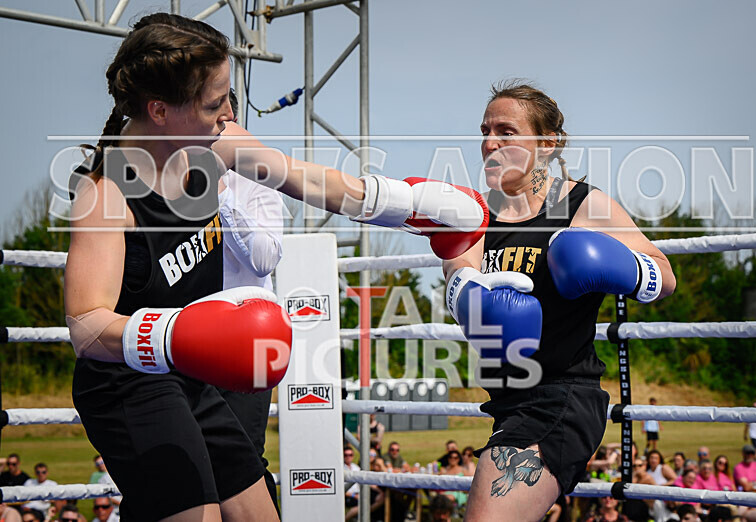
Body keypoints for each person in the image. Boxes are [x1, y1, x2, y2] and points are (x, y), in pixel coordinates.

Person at [64, 12, 484, 522]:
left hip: (191, 375)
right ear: (160, 110)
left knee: (258, 515)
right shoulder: (106, 195)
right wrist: (175, 334)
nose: (227, 113)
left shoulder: (216, 145)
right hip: (127, 383)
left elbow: (312, 182)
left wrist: (410, 204)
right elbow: (86, 324)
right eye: (214, 102)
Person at [442, 80, 676, 522]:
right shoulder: (477, 214)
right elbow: (456, 272)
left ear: (547, 144)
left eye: (507, 132)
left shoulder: (584, 205)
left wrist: (618, 266)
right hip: (507, 401)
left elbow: (664, 276)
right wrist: (472, 297)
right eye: (485, 130)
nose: (490, 143)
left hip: (562, 396)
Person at [214, 87, 284, 514]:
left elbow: (264, 258)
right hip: (180, 338)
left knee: (241, 463)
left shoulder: (259, 172)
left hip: (246, 341)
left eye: (220, 118)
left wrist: (219, 192)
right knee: (181, 464)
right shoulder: (163, 178)